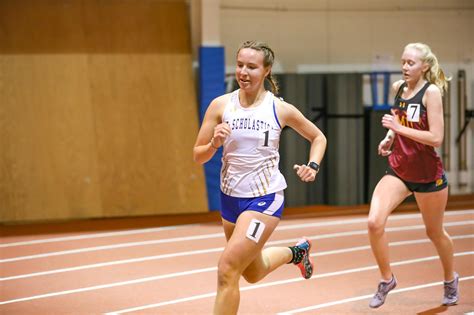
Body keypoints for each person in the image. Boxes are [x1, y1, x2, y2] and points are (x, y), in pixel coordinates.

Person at [193, 40, 327, 315]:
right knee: (251, 272)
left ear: (266, 71)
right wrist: (214, 145)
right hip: (230, 199)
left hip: (264, 199)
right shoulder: (220, 105)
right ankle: (296, 252)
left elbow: (318, 137)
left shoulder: (279, 109)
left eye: (251, 67)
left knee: (227, 268)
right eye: (240, 65)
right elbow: (198, 155)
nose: (243, 71)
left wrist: (312, 165)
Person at [367, 42, 459, 308]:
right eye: (403, 61)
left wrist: (398, 128)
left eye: (411, 63)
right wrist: (389, 136)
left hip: (429, 174)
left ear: (425, 66)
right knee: (374, 222)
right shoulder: (398, 88)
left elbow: (437, 138)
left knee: (434, 232)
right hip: (399, 169)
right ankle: (387, 279)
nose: (405, 67)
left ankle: (449, 278)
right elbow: (399, 119)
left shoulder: (431, 93)